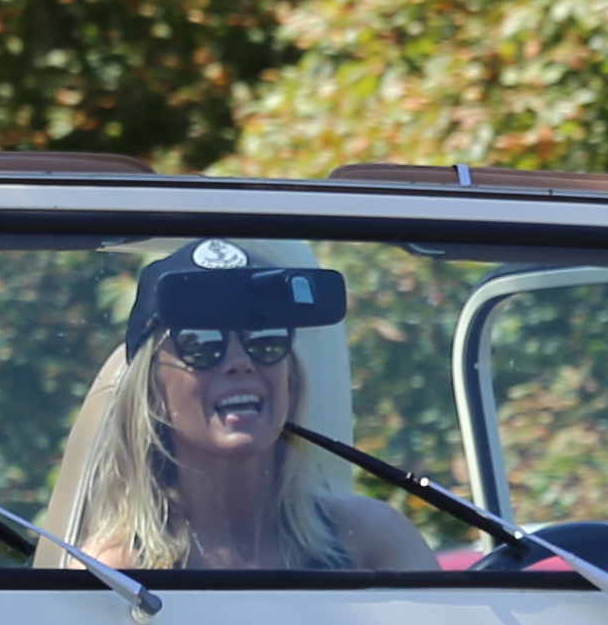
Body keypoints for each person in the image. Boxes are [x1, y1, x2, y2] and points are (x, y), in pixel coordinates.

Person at [54, 242, 433, 575]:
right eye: (201, 343)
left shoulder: (372, 545)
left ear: (291, 380)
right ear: (152, 390)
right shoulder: (115, 573)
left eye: (265, 340)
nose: (240, 362)